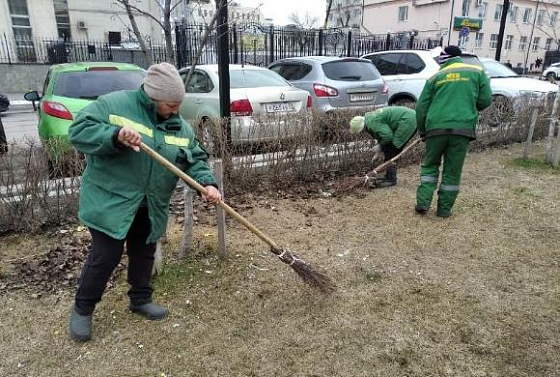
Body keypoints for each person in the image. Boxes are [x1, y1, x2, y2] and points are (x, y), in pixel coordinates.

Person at [67, 62, 221, 342]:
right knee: (106, 256)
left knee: (144, 251)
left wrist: (207, 183)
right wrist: (115, 136)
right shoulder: (114, 105)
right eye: (170, 104)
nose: (176, 110)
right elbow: (78, 131)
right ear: (152, 97)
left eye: (178, 104)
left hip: (151, 201)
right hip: (111, 199)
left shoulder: (179, 126)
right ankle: (83, 308)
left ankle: (140, 299)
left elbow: (194, 157)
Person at [415, 45, 492, 218]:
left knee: (430, 165)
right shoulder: (477, 71)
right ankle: (444, 210)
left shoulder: (435, 76)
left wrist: (422, 130)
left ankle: (423, 203)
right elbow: (486, 100)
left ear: (444, 59)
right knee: (452, 170)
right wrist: (470, 106)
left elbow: (421, 107)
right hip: (462, 129)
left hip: (435, 128)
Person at [349, 106, 417, 187]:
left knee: (392, 150)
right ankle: (389, 176)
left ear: (362, 128)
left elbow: (388, 136)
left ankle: (391, 180)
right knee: (389, 148)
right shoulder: (369, 119)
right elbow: (381, 136)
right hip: (407, 119)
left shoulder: (372, 123)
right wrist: (378, 153)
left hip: (408, 121)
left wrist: (380, 146)